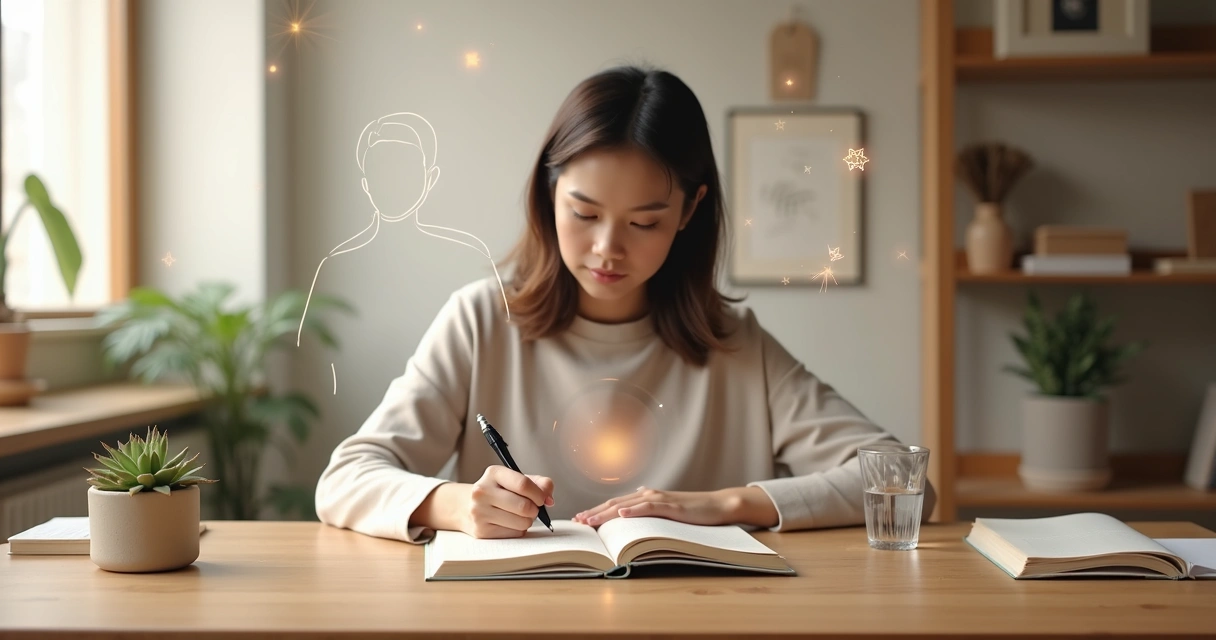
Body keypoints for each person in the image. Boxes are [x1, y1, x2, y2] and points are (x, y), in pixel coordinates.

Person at [315, 64, 934, 543]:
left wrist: (721, 504)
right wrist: (455, 504)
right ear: (548, 193)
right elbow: (344, 480)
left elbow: (907, 485)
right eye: (584, 214)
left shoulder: (735, 344)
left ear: (690, 212)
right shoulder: (482, 320)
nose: (607, 249)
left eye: (644, 222)